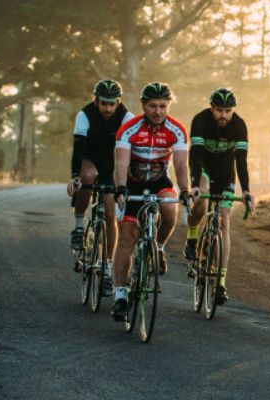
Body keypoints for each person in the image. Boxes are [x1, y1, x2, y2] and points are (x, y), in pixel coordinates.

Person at [110, 82, 191, 321]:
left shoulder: (176, 130)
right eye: (153, 106)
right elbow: (121, 164)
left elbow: (179, 164)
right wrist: (121, 188)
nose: (158, 111)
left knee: (169, 207)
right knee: (126, 236)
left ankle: (159, 246)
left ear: (168, 106)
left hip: (159, 181)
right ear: (144, 106)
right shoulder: (129, 129)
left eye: (163, 106)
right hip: (132, 182)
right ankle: (120, 295)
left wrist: (185, 189)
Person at [184, 87, 254, 305]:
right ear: (211, 108)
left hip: (225, 174)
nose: (223, 115)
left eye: (227, 111)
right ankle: (193, 235)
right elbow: (195, 155)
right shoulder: (200, 121)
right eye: (219, 110)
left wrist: (246, 191)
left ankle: (221, 283)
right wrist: (194, 185)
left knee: (224, 222)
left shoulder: (239, 125)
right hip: (203, 168)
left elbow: (241, 160)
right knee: (202, 201)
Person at [67, 79, 132, 280]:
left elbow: (130, 152)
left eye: (112, 104)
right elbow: (78, 148)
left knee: (110, 212)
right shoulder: (84, 115)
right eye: (104, 103)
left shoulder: (126, 116)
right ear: (96, 100)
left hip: (112, 165)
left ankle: (106, 266)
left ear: (118, 102)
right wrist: (75, 177)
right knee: (87, 177)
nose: (108, 108)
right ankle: (79, 226)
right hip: (90, 159)